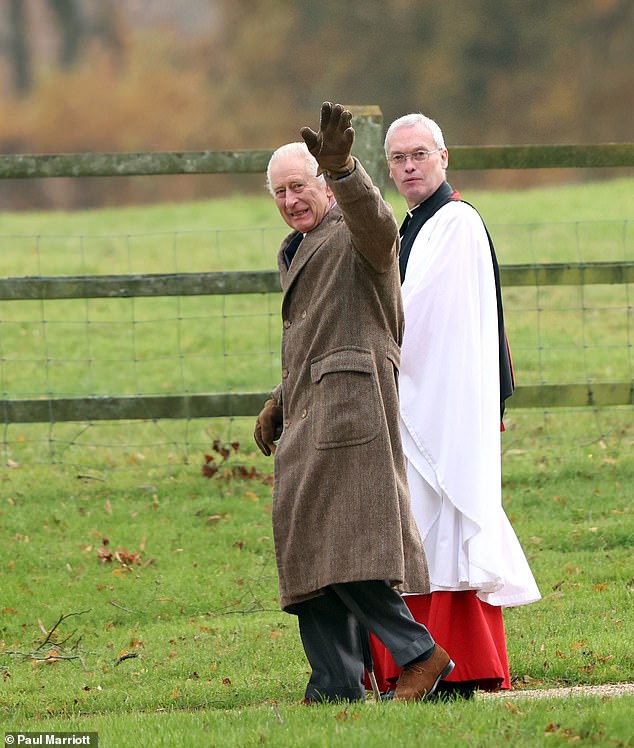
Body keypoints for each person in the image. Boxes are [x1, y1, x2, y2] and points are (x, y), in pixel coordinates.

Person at [253, 102, 455, 703]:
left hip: (352, 411)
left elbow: (379, 225)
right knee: (310, 547)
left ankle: (419, 654)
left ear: (326, 188)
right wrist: (281, 400)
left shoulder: (356, 233)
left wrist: (344, 170)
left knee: (351, 546)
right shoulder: (299, 248)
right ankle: (336, 682)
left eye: (301, 186)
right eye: (280, 192)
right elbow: (318, 337)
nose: (291, 200)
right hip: (310, 414)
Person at [366, 112, 541, 697]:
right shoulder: (410, 224)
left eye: (419, 154)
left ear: (445, 157)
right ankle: (411, 660)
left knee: (440, 523)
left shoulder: (455, 223)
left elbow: (417, 315)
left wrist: (371, 351)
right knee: (414, 527)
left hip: (442, 407)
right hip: (419, 402)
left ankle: (459, 664)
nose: (409, 166)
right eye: (398, 158)